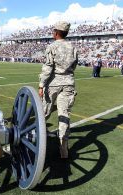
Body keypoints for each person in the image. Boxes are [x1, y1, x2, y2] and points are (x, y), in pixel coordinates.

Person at [38, 21, 78, 159]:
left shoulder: (52, 46)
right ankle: (63, 149)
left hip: (54, 84)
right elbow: (74, 66)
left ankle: (38, 139)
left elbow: (48, 67)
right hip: (69, 83)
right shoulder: (73, 47)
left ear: (56, 33)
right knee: (64, 115)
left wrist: (41, 85)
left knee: (44, 112)